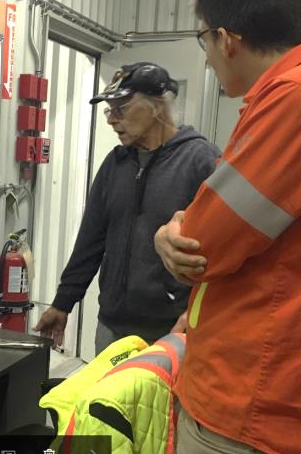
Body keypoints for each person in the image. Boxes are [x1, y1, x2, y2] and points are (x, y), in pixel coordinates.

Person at [154, 0, 301, 454]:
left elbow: (202, 246)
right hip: (297, 390)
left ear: (225, 39)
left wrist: (169, 233)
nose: (206, 55)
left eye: (204, 40)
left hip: (255, 398)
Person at [34, 62, 220, 355]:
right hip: (112, 327)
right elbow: (91, 239)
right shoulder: (115, 164)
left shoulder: (201, 161)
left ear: (157, 106)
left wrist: (199, 314)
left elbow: (224, 252)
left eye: (121, 107)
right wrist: (63, 303)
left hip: (172, 330)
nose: (111, 119)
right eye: (110, 110)